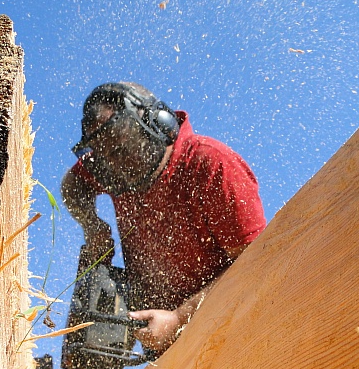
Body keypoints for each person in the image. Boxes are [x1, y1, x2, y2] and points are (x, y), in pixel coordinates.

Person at [61, 82, 266, 352]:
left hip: (231, 334)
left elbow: (257, 265)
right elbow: (72, 185)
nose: (117, 167)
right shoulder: (114, 168)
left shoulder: (212, 166)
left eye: (122, 151)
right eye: (106, 159)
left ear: (158, 123)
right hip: (160, 341)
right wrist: (92, 227)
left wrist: (180, 319)